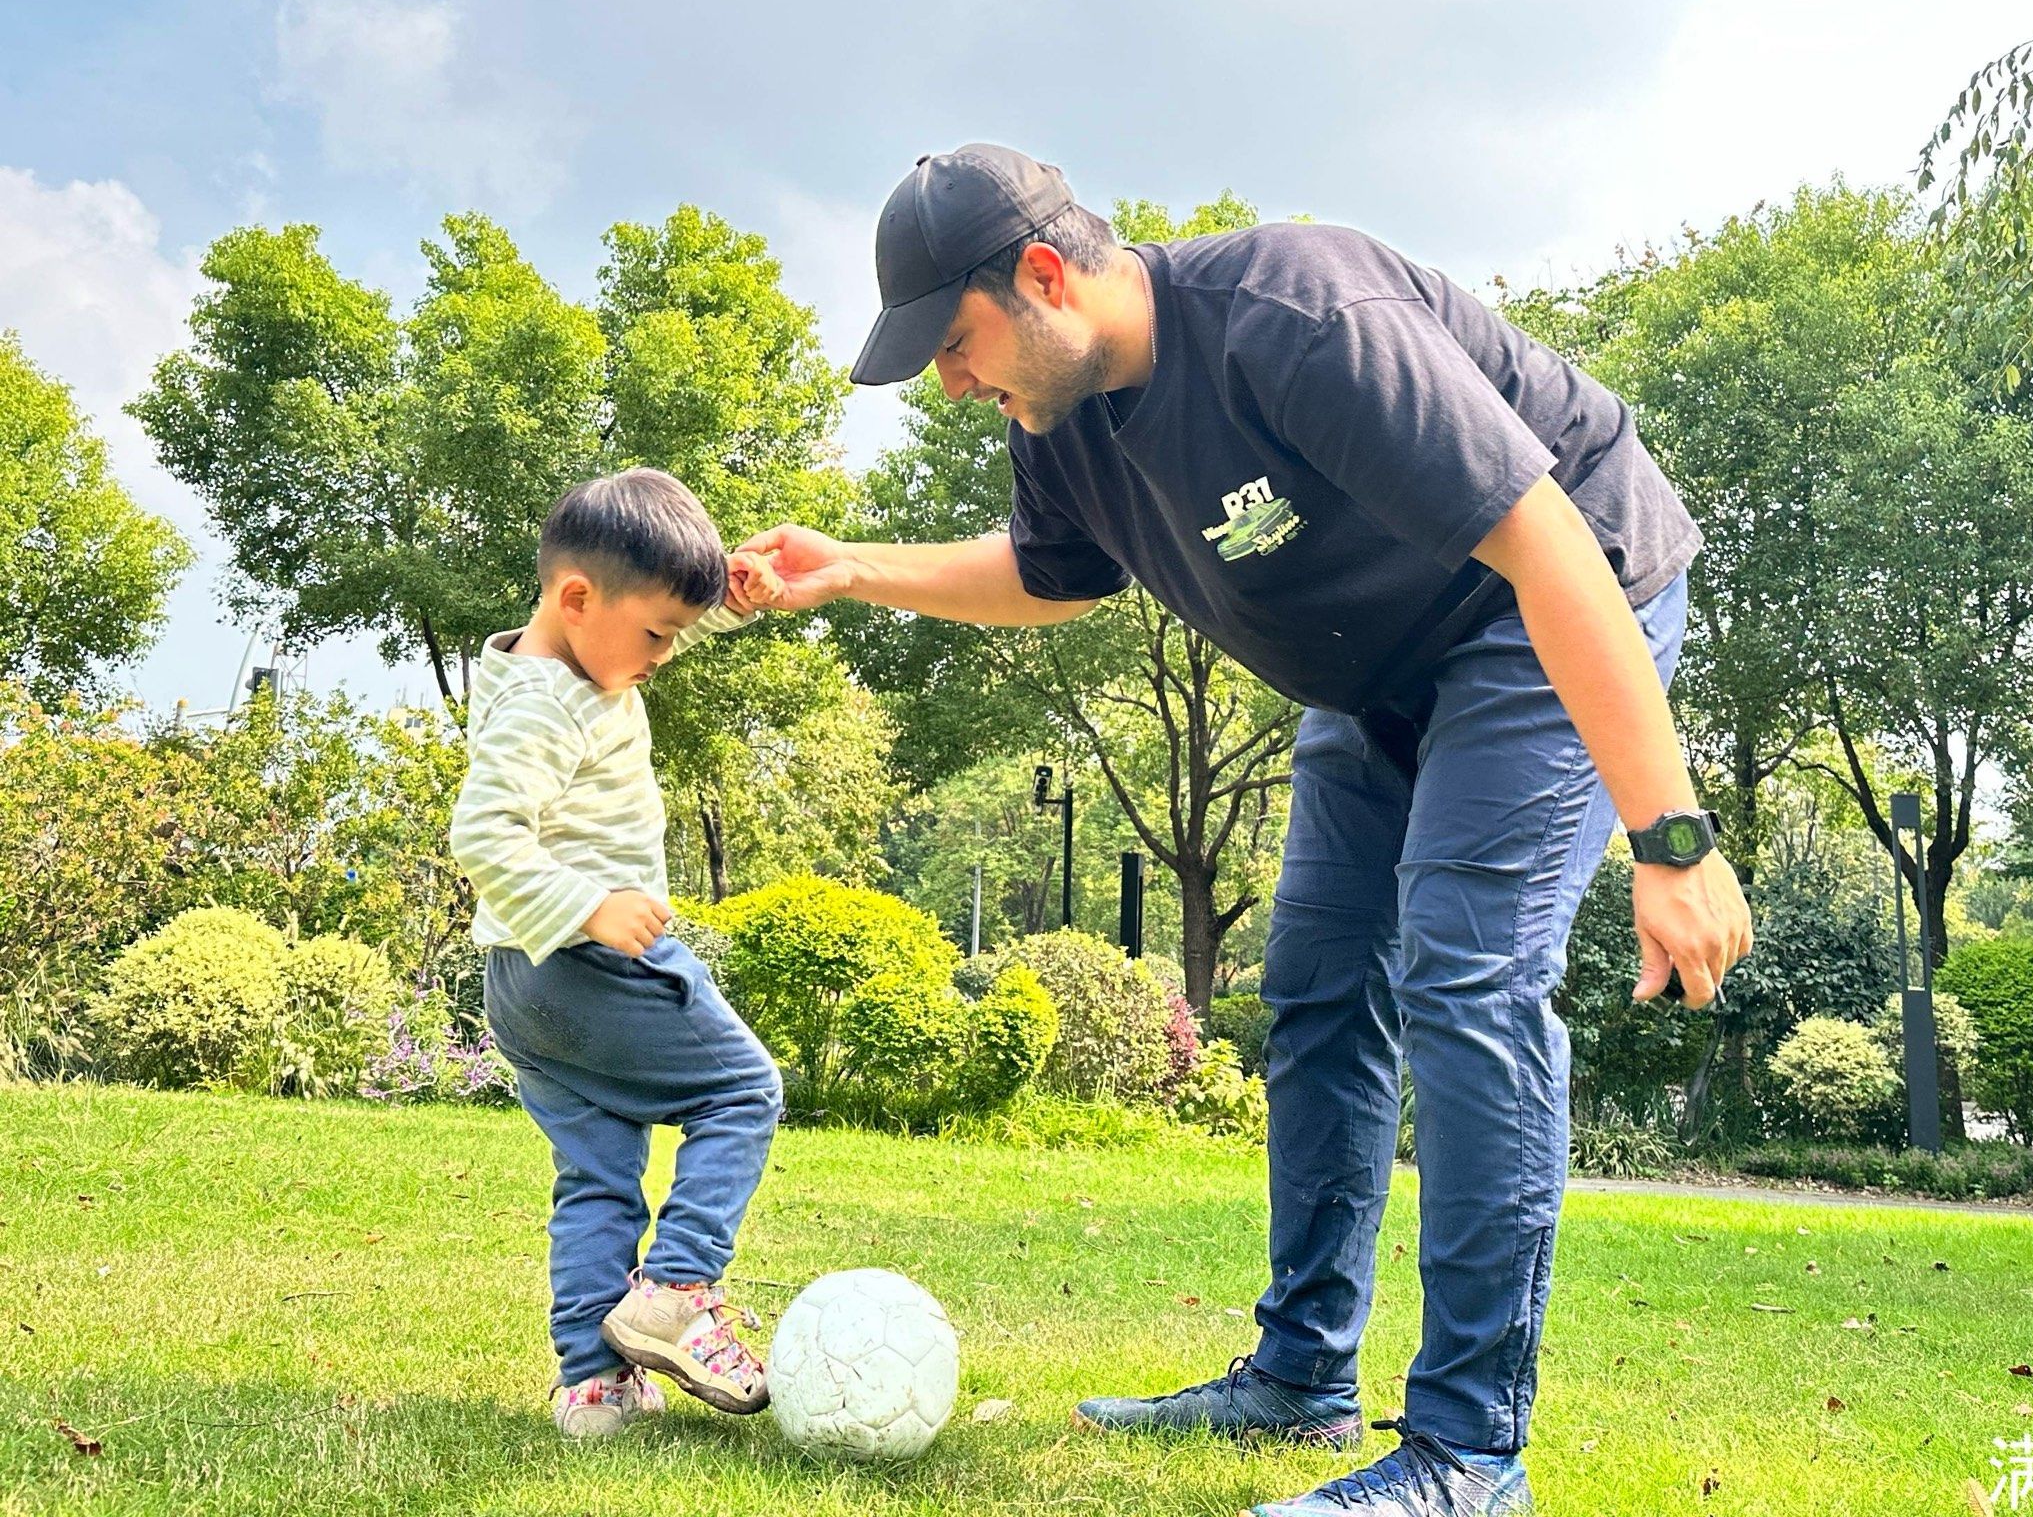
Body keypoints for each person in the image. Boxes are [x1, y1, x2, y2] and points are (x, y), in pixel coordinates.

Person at [740, 145, 1756, 1517]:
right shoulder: (1061, 425)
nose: (953, 382)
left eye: (956, 343)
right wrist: (853, 568)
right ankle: (1298, 1375)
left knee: (1467, 973)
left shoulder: (1296, 317)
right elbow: (1049, 577)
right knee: (1320, 985)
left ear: (1042, 276)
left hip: (1542, 614)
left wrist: (1669, 839)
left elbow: (1548, 543)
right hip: (1375, 676)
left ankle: (1469, 1455)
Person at [450, 466, 793, 1441]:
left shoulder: (568, 660)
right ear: (575, 598)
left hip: (524, 981)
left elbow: (637, 617)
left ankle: (594, 1384)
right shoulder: (545, 707)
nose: (663, 655)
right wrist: (591, 906)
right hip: (589, 962)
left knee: (598, 1175)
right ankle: (677, 1290)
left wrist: (731, 601)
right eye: (658, 635)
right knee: (741, 1091)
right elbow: (483, 834)